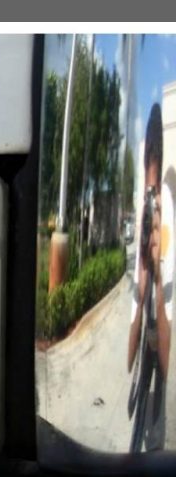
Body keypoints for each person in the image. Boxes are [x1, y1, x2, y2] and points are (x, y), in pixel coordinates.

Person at [127, 103, 173, 452]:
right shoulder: (147, 199)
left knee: (157, 383)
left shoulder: (166, 203)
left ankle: (154, 430)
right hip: (146, 295)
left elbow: (164, 290)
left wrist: (154, 274)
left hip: (160, 297)